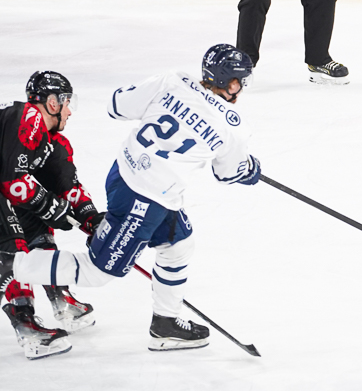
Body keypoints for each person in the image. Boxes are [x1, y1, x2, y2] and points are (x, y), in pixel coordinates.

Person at [6, 44, 261, 352]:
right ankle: (11, 266)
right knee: (98, 271)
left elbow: (117, 105)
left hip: (132, 179)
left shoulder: (174, 81)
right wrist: (250, 169)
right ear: (232, 83)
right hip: (146, 197)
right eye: (241, 81)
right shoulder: (234, 128)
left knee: (179, 244)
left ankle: (165, 322)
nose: (242, 87)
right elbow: (229, 173)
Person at [0, 71, 101, 359]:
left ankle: (60, 298)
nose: (70, 110)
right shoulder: (27, 117)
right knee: (11, 250)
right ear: (53, 102)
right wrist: (50, 205)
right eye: (67, 101)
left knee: (35, 222)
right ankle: (26, 325)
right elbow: (14, 183)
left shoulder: (50, 141)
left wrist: (91, 220)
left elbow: (67, 186)